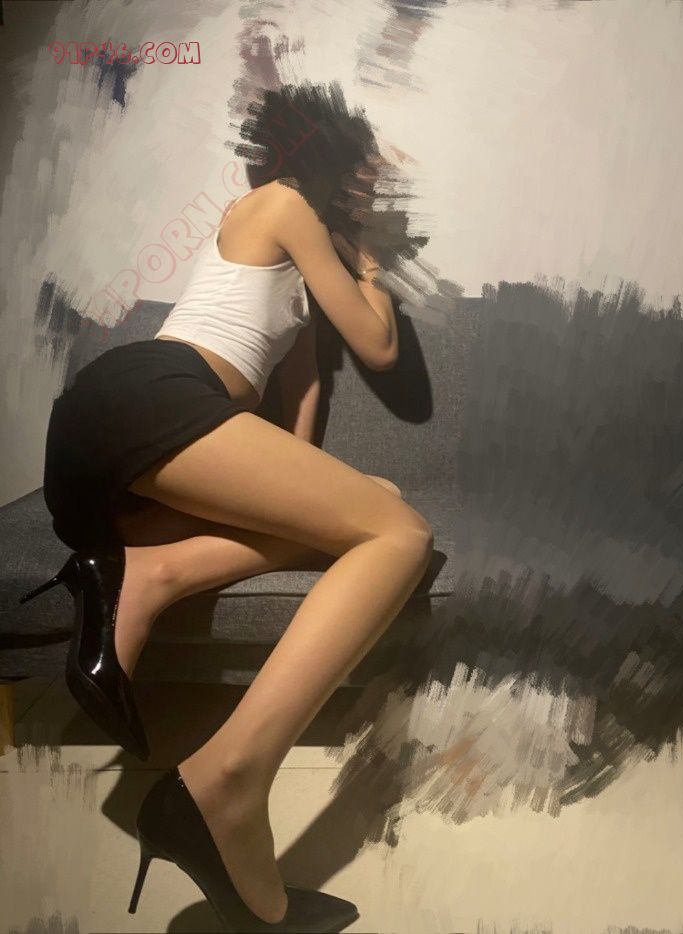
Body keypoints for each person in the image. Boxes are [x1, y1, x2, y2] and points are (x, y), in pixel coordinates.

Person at [20, 126, 434, 929]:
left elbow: (298, 425)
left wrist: (325, 502)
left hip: (129, 447)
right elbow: (379, 345)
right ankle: (229, 777)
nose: (377, 191)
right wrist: (373, 267)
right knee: (401, 536)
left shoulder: (301, 288)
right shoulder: (279, 203)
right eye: (369, 175)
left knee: (372, 503)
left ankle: (149, 572)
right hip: (149, 399)